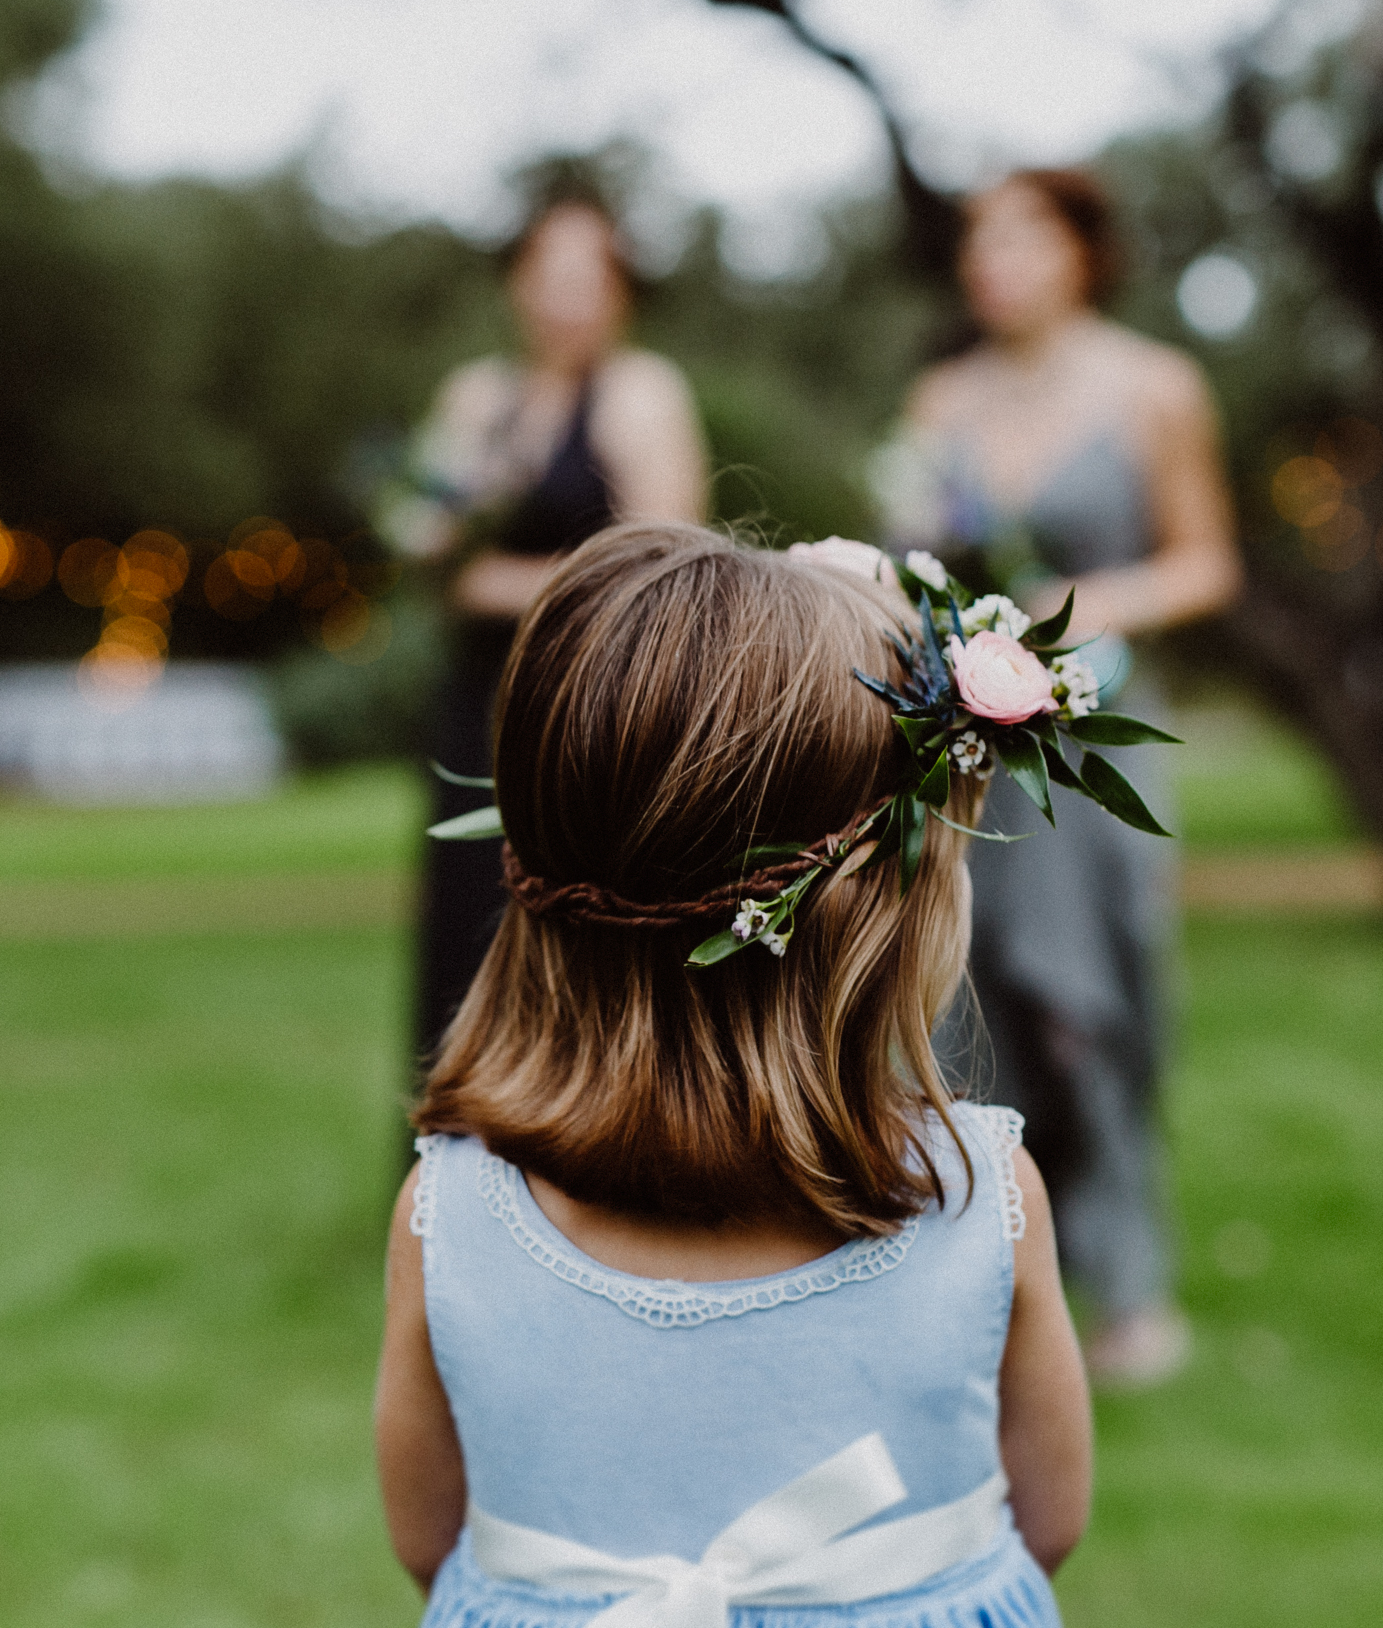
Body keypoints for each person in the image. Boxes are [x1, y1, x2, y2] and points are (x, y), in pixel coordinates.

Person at [375, 524, 1092, 1627]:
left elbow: (431, 1540)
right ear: (893, 903)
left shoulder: (450, 1218)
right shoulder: (978, 1198)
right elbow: (1045, 1519)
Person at [883, 168, 1242, 1389]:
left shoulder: (1153, 388)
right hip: (974, 742)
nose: (992, 262)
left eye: (1022, 236)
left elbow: (1205, 564)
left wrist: (1082, 613)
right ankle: (985, 1276)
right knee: (963, 1000)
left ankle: (1129, 1280)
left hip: (1094, 745)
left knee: (1098, 1002)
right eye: (978, 240)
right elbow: (914, 566)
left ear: (1082, 253)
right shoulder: (939, 400)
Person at [401, 194, 709, 1076]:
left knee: (580, 917)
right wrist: (430, 546)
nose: (568, 294)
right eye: (550, 271)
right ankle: (456, 1146)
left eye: (591, 273)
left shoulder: (644, 393)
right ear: (516, 282)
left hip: (591, 697)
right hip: (481, 697)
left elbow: (669, 557)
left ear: (623, 290)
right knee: (468, 912)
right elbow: (423, 533)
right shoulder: (474, 394)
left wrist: (496, 582)